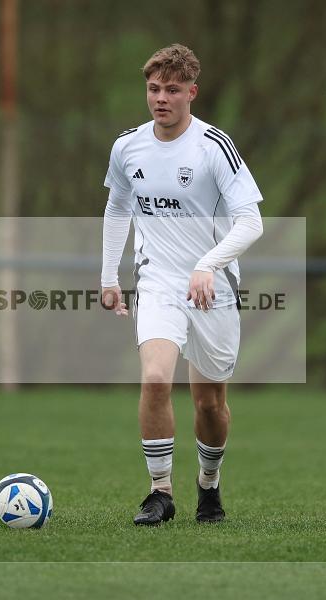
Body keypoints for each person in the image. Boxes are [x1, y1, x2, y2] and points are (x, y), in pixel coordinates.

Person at [100, 44, 264, 525]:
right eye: (154, 89)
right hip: (156, 281)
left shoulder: (214, 147)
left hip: (213, 286)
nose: (161, 98)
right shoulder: (127, 146)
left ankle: (208, 487)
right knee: (154, 379)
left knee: (210, 403)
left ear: (192, 92)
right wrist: (110, 275)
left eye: (172, 89)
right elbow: (117, 208)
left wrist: (208, 264)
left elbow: (250, 222)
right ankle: (160, 493)